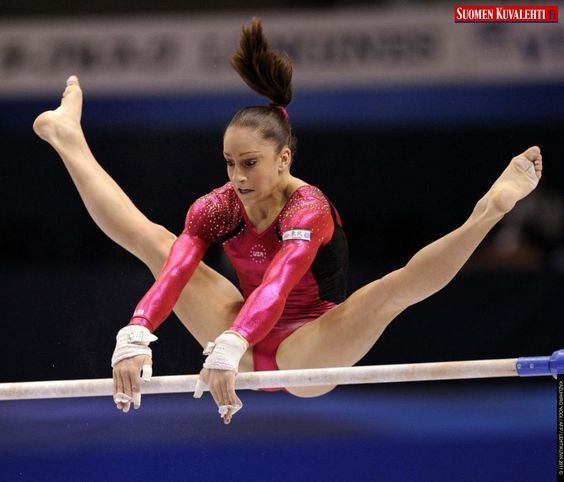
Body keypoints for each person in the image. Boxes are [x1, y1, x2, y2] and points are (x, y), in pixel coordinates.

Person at [33, 18, 543, 425]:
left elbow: (280, 282)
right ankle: (67, 138)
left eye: (250, 163)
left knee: (392, 289)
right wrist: (136, 331)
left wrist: (233, 343)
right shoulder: (218, 206)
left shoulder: (308, 208)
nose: (237, 176)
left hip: (309, 349)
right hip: (235, 335)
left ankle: (487, 212)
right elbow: (178, 269)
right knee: (156, 241)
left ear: (283, 159)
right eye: (230, 163)